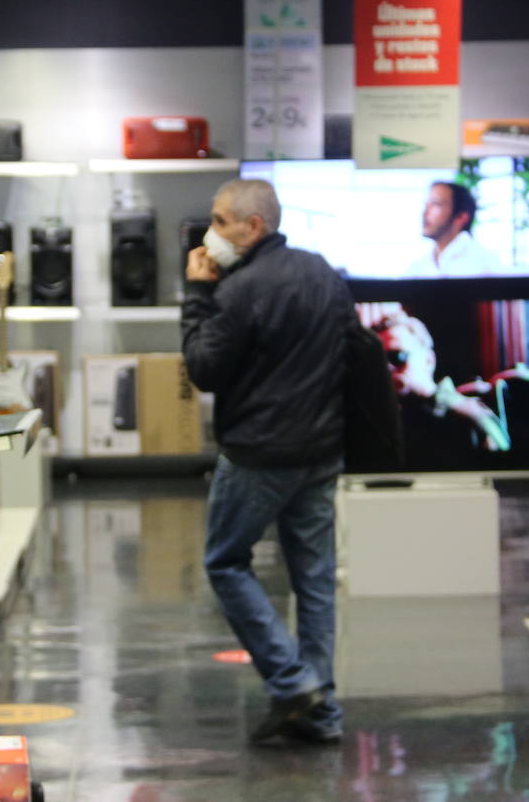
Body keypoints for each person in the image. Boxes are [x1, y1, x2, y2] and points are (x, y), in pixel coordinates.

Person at [181, 178, 352, 745]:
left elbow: (204, 369)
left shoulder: (240, 290)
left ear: (253, 226)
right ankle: (321, 710)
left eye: (221, 220)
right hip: (322, 451)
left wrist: (197, 297)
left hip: (258, 454)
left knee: (226, 562)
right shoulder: (324, 272)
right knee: (315, 578)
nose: (213, 231)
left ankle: (292, 680)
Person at [368, 308, 510, 458]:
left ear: (429, 360)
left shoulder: (467, 417)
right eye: (379, 361)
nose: (388, 368)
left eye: (397, 356)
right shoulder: (385, 420)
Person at [406, 181, 505, 277]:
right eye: (426, 205)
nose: (425, 213)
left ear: (461, 217)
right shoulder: (416, 268)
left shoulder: (486, 264)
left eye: (436, 204)